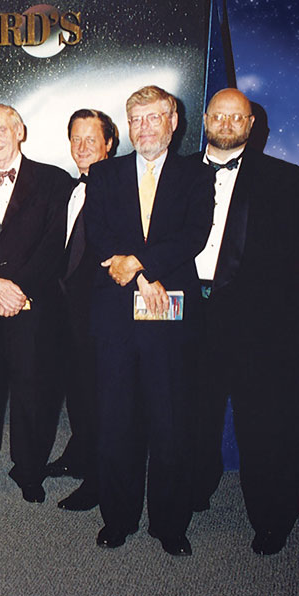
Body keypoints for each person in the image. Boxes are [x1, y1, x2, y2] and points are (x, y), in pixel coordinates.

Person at [84, 85, 214, 556]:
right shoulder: (104, 173)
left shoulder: (195, 176)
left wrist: (141, 265)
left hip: (170, 315)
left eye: (153, 118)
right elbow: (96, 234)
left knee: (170, 423)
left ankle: (170, 524)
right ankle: (117, 518)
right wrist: (139, 279)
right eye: (135, 120)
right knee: (116, 422)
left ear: (173, 120)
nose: (144, 129)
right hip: (117, 316)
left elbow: (193, 236)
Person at [187, 88, 299, 555]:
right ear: (206, 119)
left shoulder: (286, 180)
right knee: (193, 413)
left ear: (252, 125)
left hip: (258, 324)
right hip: (190, 313)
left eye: (239, 117)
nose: (228, 123)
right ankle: (195, 490)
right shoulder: (176, 174)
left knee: (263, 424)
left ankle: (272, 519)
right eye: (220, 115)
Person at [0, 104, 70, 507]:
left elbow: (55, 245)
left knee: (33, 396)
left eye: (0, 130)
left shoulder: (56, 182)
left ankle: (30, 471)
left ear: (19, 130)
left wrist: (17, 289)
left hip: (34, 309)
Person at [47, 109, 117, 512]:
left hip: (102, 317)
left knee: (102, 401)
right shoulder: (67, 189)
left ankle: (98, 481)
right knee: (78, 393)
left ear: (110, 143)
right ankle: (78, 453)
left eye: (92, 139)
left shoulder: (122, 189)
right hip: (67, 315)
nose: (83, 147)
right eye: (76, 138)